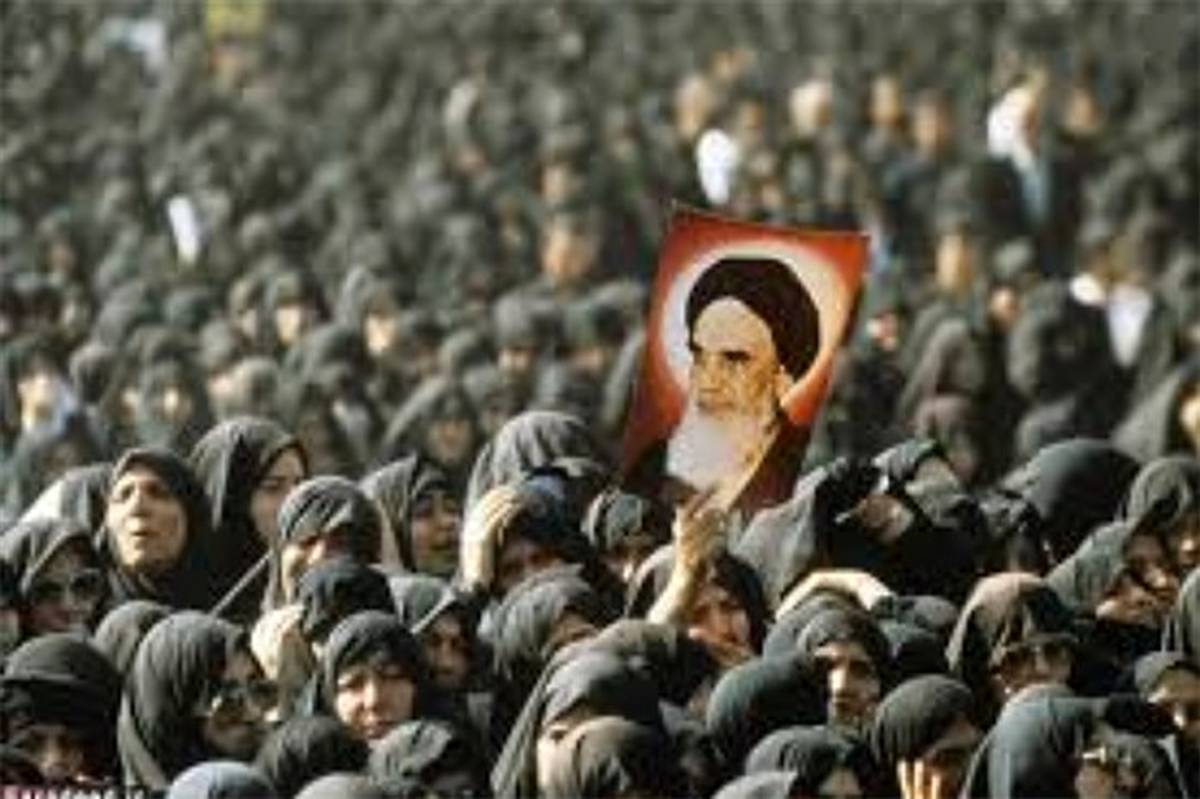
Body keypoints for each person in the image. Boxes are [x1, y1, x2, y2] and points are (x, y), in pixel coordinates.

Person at [627, 256, 821, 514]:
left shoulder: (808, 470)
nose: (708, 382)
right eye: (700, 357)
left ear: (782, 380)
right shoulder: (655, 466)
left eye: (733, 360)